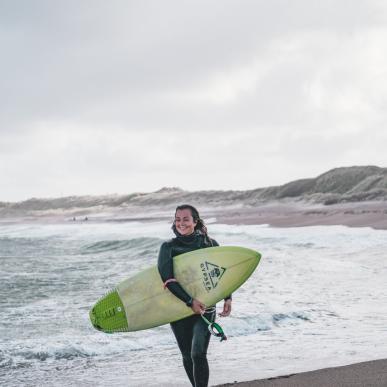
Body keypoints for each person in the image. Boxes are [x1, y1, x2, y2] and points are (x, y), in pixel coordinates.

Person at [157, 204, 232, 387]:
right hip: (178, 307)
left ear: (195, 221)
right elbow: (168, 279)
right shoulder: (168, 247)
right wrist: (189, 301)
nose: (181, 223)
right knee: (186, 356)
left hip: (206, 306)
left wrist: (228, 297)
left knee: (197, 353)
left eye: (185, 219)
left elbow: (222, 274)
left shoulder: (210, 244)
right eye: (177, 219)